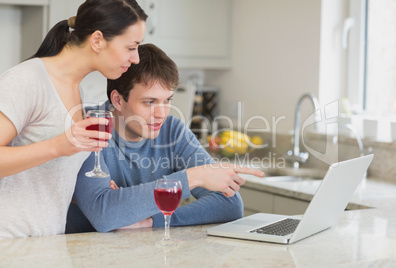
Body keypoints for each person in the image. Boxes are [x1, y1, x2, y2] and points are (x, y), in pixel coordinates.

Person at [66, 43, 264, 233]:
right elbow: (105, 215)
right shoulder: (90, 125)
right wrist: (194, 177)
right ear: (118, 99)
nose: (161, 114)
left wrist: (152, 220)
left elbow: (230, 205)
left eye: (167, 100)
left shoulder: (173, 131)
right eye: (150, 102)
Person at [0, 0, 148, 239]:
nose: (136, 58)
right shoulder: (27, 80)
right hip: (8, 242)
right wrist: (59, 146)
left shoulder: (76, 91)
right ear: (97, 40)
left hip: (46, 244)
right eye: (131, 47)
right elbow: (57, 148)